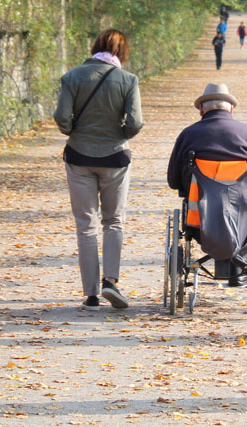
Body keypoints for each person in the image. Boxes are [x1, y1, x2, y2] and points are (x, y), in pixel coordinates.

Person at [53, 29, 144, 310]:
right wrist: (120, 134)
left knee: (86, 226)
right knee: (114, 222)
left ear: (95, 48)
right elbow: (136, 122)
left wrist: (73, 131)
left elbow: (61, 117)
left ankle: (91, 294)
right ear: (122, 53)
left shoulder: (72, 77)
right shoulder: (128, 80)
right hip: (115, 158)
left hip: (79, 156)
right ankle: (111, 282)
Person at [166, 83, 247, 286]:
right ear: (231, 109)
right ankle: (240, 271)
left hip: (198, 220)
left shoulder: (188, 135)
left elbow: (174, 181)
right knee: (245, 206)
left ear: (202, 109)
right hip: (244, 221)